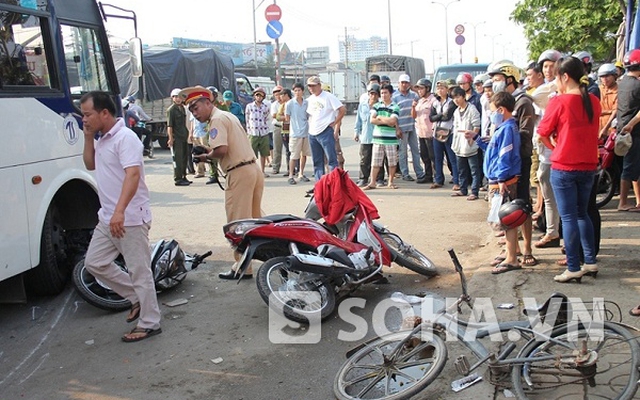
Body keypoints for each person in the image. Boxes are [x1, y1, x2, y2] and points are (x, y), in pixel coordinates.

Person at [80, 91, 161, 342]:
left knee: (139, 271)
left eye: (87, 114)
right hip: (107, 218)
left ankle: (150, 322)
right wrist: (87, 137)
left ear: (105, 113)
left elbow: (133, 175)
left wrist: (119, 211)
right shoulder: (102, 138)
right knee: (94, 262)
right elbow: (90, 165)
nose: (84, 119)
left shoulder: (125, 138)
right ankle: (135, 297)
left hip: (129, 219)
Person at [185, 87, 264, 280]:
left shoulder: (217, 120)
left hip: (238, 173)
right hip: (252, 169)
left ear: (207, 103)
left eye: (196, 108)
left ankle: (242, 266)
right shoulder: (227, 116)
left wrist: (205, 156)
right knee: (255, 221)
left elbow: (221, 150)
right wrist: (207, 150)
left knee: (237, 224)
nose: (195, 114)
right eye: (192, 111)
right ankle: (270, 259)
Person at [537, 56, 601, 283]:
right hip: (588, 165)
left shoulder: (559, 101)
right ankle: (590, 261)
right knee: (583, 214)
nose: (556, 82)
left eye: (556, 77)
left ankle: (573, 266)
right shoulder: (593, 100)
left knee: (569, 217)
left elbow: (543, 132)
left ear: (564, 77)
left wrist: (554, 145)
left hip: (565, 166)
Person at [489, 61, 538, 267]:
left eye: (497, 79)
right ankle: (512, 249)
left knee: (521, 205)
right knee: (508, 208)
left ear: (509, 79)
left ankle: (526, 248)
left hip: (518, 162)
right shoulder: (503, 102)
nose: (494, 83)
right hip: (505, 164)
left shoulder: (523, 102)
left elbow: (525, 134)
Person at [468, 92, 522, 274]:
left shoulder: (507, 129)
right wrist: (476, 139)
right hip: (500, 179)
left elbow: (505, 156)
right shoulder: (504, 128)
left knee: (507, 220)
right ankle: (510, 251)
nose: (491, 116)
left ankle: (512, 258)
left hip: (503, 181)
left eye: (492, 111)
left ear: (501, 109)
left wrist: (500, 179)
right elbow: (493, 150)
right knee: (506, 220)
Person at [305, 76, 345, 181]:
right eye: (309, 86)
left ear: (319, 85)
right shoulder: (309, 99)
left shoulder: (328, 97)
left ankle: (334, 183)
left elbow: (342, 109)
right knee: (317, 161)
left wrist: (335, 123)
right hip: (312, 133)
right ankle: (319, 184)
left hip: (325, 131)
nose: (311, 88)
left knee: (331, 159)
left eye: (313, 86)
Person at [616, 49, 640, 212]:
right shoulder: (638, 85)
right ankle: (623, 202)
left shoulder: (622, 82)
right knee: (630, 166)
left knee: (634, 166)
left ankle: (638, 200)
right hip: (633, 131)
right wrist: (632, 123)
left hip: (623, 130)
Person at [364, 83, 401, 190]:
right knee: (375, 162)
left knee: (392, 162)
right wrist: (385, 120)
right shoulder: (376, 106)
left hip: (390, 140)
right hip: (378, 139)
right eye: (382, 93)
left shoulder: (395, 106)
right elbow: (372, 120)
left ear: (390, 94)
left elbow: (393, 121)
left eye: (386, 93)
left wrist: (380, 117)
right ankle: (372, 182)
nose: (384, 95)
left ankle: (390, 182)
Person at [393, 74, 428, 183]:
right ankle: (405, 173)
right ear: (399, 83)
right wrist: (397, 128)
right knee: (403, 152)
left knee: (416, 151)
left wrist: (414, 88)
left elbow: (423, 97)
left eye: (406, 83)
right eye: (402, 82)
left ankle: (419, 172)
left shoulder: (414, 95)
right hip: (401, 128)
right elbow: (393, 114)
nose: (404, 85)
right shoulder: (394, 97)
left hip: (413, 126)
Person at [450, 86, 481, 200]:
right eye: (454, 98)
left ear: (463, 97)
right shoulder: (456, 111)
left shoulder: (472, 109)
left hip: (470, 144)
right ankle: (463, 190)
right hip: (459, 144)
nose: (456, 100)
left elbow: (476, 125)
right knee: (461, 170)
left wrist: (472, 139)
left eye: (458, 97)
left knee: (474, 170)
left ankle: (474, 191)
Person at [429, 80, 459, 190]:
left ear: (447, 89)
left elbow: (448, 116)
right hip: (437, 132)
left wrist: (439, 116)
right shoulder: (435, 102)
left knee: (452, 158)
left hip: (449, 131)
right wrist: (440, 115)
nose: (440, 90)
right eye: (438, 88)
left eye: (442, 88)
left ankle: (456, 180)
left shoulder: (451, 102)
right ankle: (438, 179)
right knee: (438, 158)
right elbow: (431, 118)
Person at [355, 83, 381, 187]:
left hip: (378, 136)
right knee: (364, 158)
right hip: (365, 136)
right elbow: (359, 120)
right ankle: (363, 178)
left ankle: (379, 179)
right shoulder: (363, 105)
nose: (373, 96)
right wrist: (356, 132)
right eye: (371, 94)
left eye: (375, 94)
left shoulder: (381, 106)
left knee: (378, 158)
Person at [285, 82, 311, 184]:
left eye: (299, 90)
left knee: (304, 154)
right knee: (294, 155)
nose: (297, 92)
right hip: (295, 133)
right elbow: (287, 118)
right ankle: (291, 175)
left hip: (305, 132)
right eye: (295, 91)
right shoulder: (290, 103)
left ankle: (301, 173)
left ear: (302, 91)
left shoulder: (306, 103)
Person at [412, 78, 437, 183]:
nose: (419, 91)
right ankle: (428, 176)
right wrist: (413, 107)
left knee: (433, 157)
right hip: (421, 133)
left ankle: (437, 177)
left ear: (427, 88)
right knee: (424, 156)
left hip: (430, 133)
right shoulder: (419, 101)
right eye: (418, 89)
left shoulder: (433, 100)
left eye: (421, 88)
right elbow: (413, 116)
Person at [166, 88, 191, 186]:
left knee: (185, 157)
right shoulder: (171, 110)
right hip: (177, 137)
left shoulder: (182, 108)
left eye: (179, 97)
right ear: (172, 98)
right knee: (178, 158)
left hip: (183, 136)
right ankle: (178, 178)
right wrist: (170, 138)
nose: (178, 99)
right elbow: (169, 126)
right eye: (175, 97)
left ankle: (184, 176)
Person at [245, 86, 271, 176]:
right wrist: (248, 131)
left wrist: (266, 127)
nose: (259, 97)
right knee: (252, 154)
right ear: (254, 96)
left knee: (264, 153)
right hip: (253, 132)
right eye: (257, 95)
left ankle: (262, 171)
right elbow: (247, 119)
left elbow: (268, 118)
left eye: (261, 95)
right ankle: (253, 171)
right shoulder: (249, 106)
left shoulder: (266, 107)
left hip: (263, 132)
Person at [597, 63, 619, 139]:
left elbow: (615, 112)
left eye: (607, 76)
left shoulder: (619, 90)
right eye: (602, 77)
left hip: (610, 131)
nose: (605, 79)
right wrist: (609, 111)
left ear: (614, 76)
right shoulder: (598, 89)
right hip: (597, 128)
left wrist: (605, 129)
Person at [270, 85, 286, 174]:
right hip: (278, 127)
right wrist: (285, 117)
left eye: (280, 94)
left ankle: (291, 168)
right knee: (277, 148)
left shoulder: (288, 103)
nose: (278, 96)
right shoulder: (274, 105)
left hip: (288, 127)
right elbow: (274, 116)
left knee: (289, 149)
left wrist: (282, 117)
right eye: (276, 94)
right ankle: (275, 167)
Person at [277, 88, 293, 176]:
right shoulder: (282, 106)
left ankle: (297, 168)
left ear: (287, 95)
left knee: (296, 151)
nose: (281, 97)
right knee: (288, 151)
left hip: (295, 130)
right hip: (285, 130)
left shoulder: (294, 103)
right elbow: (278, 117)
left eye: (282, 95)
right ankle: (289, 169)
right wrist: (286, 118)